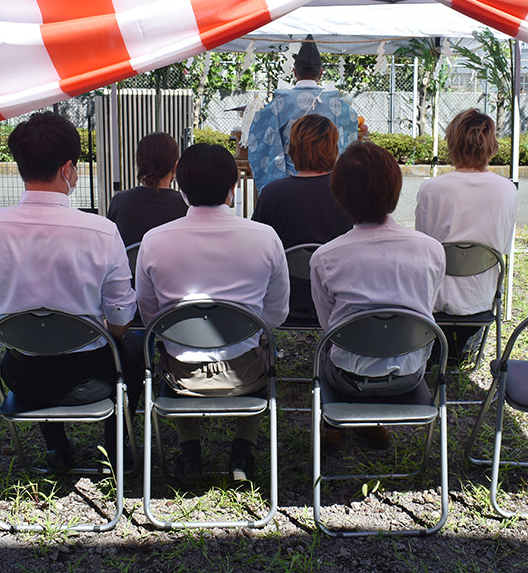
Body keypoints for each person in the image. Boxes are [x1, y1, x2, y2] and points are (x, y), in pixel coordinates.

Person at [0, 112, 144, 472]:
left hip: (24, 379)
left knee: (37, 339)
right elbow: (121, 317)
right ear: (69, 169)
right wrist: (108, 332)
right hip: (93, 380)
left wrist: (27, 332)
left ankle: (56, 449)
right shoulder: (101, 232)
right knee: (133, 349)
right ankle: (115, 447)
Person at [135, 143, 290, 485]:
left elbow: (150, 318)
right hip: (245, 372)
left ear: (182, 186)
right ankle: (242, 450)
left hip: (181, 375)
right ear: (233, 185)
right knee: (263, 345)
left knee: (169, 348)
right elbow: (276, 314)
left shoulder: (154, 240)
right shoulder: (265, 238)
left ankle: (190, 453)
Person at [310, 141, 445, 449]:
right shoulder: (431, 250)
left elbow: (328, 326)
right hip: (410, 375)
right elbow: (427, 309)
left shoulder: (326, 257)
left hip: (347, 376)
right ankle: (370, 425)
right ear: (396, 189)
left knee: (330, 352)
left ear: (339, 194)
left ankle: (335, 425)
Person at [414, 109, 518, 363]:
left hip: (435, 301)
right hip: (481, 299)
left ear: (452, 142)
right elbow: (503, 246)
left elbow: (422, 246)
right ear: (492, 145)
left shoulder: (432, 189)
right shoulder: (507, 190)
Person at [252, 114, 352, 318]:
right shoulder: (350, 193)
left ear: (292, 150)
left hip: (287, 297)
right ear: (334, 150)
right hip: (340, 297)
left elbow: (257, 250)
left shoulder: (272, 194)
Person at [245, 34, 360, 190]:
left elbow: (261, 137)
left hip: (289, 178)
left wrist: (276, 183)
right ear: (321, 72)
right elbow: (349, 132)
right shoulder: (337, 104)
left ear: (294, 72)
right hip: (328, 182)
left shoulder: (279, 103)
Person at [106, 132, 188, 247]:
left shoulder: (120, 201)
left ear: (140, 165)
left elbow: (110, 246)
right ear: (175, 167)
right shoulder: (184, 205)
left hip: (129, 265)